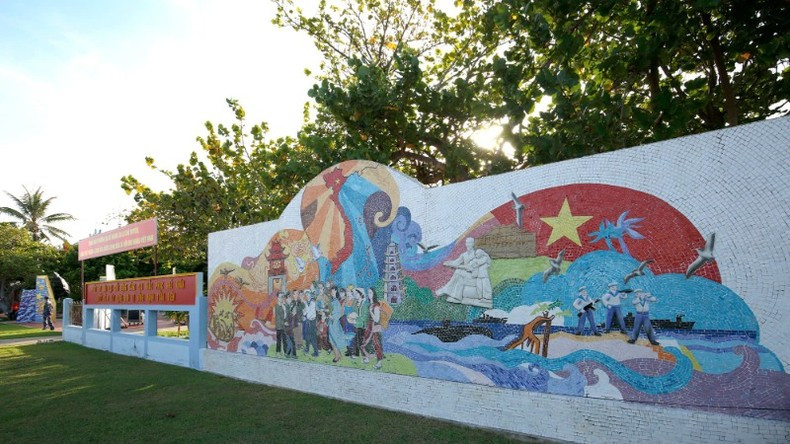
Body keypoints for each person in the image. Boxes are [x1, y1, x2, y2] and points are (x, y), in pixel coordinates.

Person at [436, 237, 493, 308]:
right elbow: (456, 262)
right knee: (459, 275)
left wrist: (455, 265)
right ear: (465, 244)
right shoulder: (464, 255)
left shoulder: (476, 254)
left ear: (473, 244)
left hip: (474, 276)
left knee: (459, 271)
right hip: (467, 275)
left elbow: (470, 267)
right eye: (467, 243)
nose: (468, 244)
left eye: (470, 242)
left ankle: (446, 289)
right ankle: (456, 297)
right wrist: (448, 263)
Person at [362, 288, 385, 369]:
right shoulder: (369, 305)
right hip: (369, 326)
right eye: (368, 292)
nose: (369, 294)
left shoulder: (376, 305)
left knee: (376, 344)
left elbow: (376, 319)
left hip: (375, 327)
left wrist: (371, 312)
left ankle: (379, 362)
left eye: (371, 292)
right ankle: (368, 357)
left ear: (374, 294)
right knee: (367, 342)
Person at [350, 288, 369, 359]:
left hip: (362, 325)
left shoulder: (364, 304)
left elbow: (364, 316)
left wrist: (357, 320)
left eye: (357, 294)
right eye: (355, 294)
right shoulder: (355, 303)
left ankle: (365, 356)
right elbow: (354, 312)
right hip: (356, 324)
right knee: (356, 339)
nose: (355, 295)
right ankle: (355, 353)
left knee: (360, 340)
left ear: (361, 295)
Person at [327, 287, 346, 362]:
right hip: (331, 322)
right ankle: (337, 355)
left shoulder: (337, 301)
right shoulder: (331, 301)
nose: (332, 292)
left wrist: (333, 317)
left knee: (334, 339)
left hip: (334, 323)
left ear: (335, 291)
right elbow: (330, 310)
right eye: (331, 291)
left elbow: (339, 313)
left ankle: (337, 356)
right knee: (331, 339)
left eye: (333, 291)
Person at [303, 291, 319, 356]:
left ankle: (316, 352)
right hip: (308, 321)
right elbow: (305, 311)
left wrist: (306, 316)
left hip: (312, 321)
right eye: (306, 295)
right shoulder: (306, 303)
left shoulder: (313, 303)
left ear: (310, 295)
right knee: (307, 336)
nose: (307, 296)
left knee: (313, 337)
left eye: (308, 295)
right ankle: (307, 349)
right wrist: (303, 314)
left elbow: (311, 312)